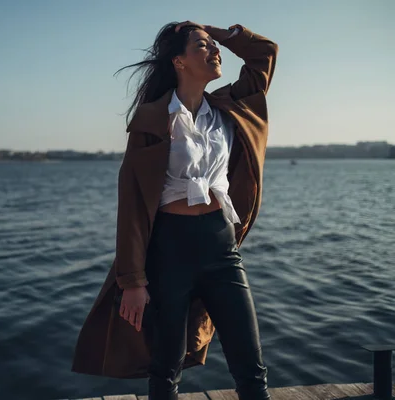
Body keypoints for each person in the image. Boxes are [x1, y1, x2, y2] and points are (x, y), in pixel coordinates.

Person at [72, 21, 278, 400]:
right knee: (165, 369)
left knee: (251, 366)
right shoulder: (153, 120)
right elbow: (132, 202)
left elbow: (264, 54)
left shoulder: (229, 107)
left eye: (214, 46)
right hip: (169, 252)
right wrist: (132, 279)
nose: (215, 52)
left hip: (221, 247)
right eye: (203, 46)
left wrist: (225, 34)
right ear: (179, 61)